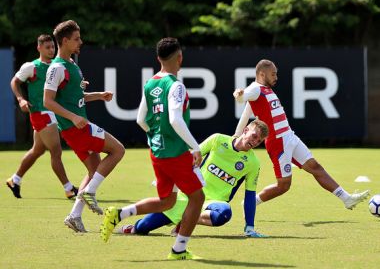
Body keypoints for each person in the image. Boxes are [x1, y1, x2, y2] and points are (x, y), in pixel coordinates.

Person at [100, 37, 205, 260]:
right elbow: (176, 119)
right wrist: (195, 147)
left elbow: (141, 119)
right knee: (197, 198)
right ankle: (179, 249)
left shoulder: (150, 84)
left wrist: (154, 136)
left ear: (158, 58)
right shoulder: (175, 85)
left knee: (168, 201)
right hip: (176, 153)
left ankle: (118, 214)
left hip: (157, 152)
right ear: (180, 58)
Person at [233, 59, 369, 209]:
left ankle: (346, 198)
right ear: (261, 74)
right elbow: (242, 98)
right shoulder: (255, 89)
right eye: (273, 74)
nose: (276, 77)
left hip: (289, 136)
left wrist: (237, 133)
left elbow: (246, 112)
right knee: (283, 186)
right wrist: (239, 94)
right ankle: (251, 202)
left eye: (276, 74)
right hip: (278, 142)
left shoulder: (265, 89)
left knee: (315, 166)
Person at [116, 119, 269, 239]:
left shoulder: (253, 163)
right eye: (254, 136)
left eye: (259, 141)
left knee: (224, 214)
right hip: (189, 195)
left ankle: (186, 220)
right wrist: (168, 177)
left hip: (213, 202)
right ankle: (134, 226)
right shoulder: (218, 140)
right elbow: (190, 158)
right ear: (245, 130)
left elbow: (250, 194)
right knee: (142, 228)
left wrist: (249, 226)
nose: (255, 142)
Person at [44, 20, 125, 232]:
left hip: (76, 128)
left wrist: (98, 95)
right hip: (77, 128)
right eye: (76, 38)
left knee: (93, 169)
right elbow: (47, 101)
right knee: (118, 150)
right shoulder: (57, 68)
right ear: (64, 41)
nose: (81, 41)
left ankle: (75, 216)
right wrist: (72, 117)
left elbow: (75, 98)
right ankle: (91, 193)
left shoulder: (71, 64)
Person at [6, 34, 77, 199]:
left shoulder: (57, 65)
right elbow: (14, 82)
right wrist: (21, 99)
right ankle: (68, 188)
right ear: (39, 48)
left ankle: (14, 180)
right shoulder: (31, 66)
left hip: (53, 112)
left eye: (52, 47)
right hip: (40, 112)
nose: (51, 50)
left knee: (37, 150)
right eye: (47, 47)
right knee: (56, 151)